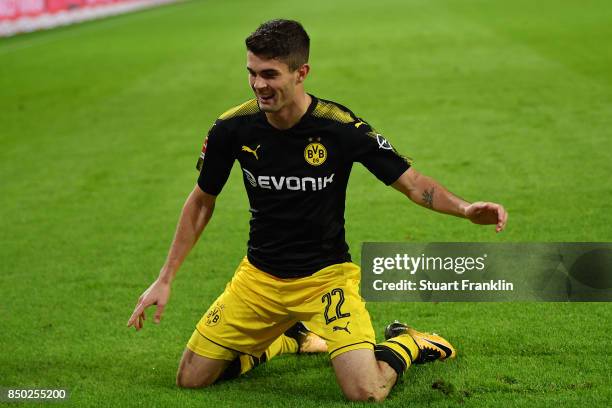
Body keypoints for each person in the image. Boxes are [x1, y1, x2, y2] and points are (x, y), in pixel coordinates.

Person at [127, 19, 508, 402]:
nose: (259, 85)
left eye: (270, 74)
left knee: (366, 390)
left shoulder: (339, 128)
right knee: (191, 378)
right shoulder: (232, 128)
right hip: (259, 280)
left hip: (325, 281)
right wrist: (166, 277)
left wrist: (465, 208)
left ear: (301, 72)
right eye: (252, 73)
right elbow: (201, 202)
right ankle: (287, 341)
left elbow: (413, 183)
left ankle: (410, 343)